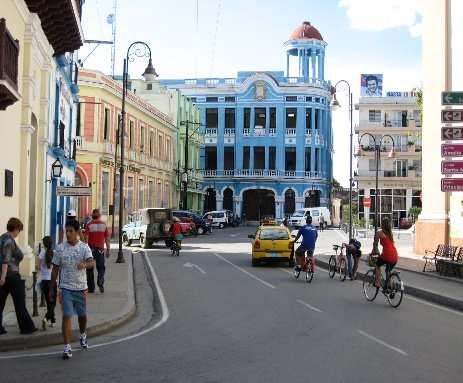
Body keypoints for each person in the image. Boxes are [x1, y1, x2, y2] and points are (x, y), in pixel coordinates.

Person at [50, 219, 94, 360]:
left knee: (82, 316)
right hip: (65, 288)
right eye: (66, 231)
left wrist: (85, 264)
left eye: (70, 231)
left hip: (81, 288)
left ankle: (82, 335)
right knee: (67, 315)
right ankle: (67, 347)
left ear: (77, 232)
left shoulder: (84, 248)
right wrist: (52, 288)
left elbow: (92, 263)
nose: (68, 234)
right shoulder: (60, 248)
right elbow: (55, 269)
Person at [0, 218, 37, 335]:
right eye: (19, 230)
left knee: (0, 304)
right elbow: (6, 260)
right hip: (11, 276)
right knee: (20, 303)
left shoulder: (3, 237)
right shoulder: (9, 241)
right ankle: (27, 327)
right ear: (15, 228)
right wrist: (3, 277)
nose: (18, 233)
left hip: (5, 275)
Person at [83, 209, 110, 294]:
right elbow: (107, 239)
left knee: (90, 269)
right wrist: (108, 249)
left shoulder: (89, 225)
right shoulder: (104, 225)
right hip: (100, 250)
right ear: (99, 215)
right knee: (101, 267)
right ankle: (100, 280)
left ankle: (91, 288)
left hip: (90, 250)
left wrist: (85, 250)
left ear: (92, 215)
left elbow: (86, 239)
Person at [371, 217, 398, 288]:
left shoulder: (379, 233)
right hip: (395, 255)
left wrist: (373, 253)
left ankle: (377, 282)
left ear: (382, 224)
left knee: (377, 265)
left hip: (387, 254)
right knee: (388, 271)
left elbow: (375, 245)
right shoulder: (390, 233)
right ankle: (391, 287)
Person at [39, 236, 57, 329]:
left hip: (44, 280)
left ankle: (52, 321)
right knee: (53, 303)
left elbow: (39, 267)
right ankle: (46, 318)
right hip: (52, 281)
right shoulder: (54, 253)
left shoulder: (41, 253)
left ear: (44, 244)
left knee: (49, 302)